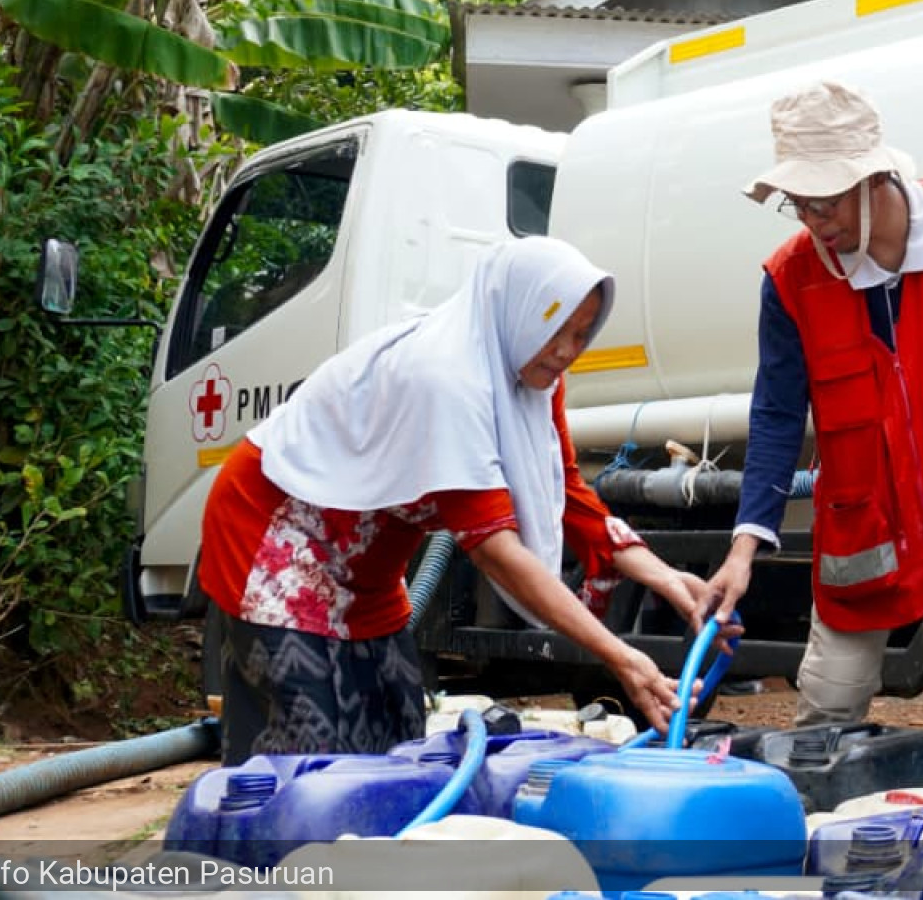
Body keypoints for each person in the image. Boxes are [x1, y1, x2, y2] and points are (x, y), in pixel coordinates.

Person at [199, 236, 709, 764]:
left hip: (366, 559)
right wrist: (620, 657)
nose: (566, 351)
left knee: (393, 730)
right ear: (519, 312)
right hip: (278, 531)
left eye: (582, 334)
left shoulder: (531, 379)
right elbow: (493, 547)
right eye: (556, 330)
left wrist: (666, 578)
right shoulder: (447, 378)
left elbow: (568, 495)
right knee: (308, 745)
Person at [703, 81, 923, 769]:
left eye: (826, 202)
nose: (814, 221)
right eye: (801, 204)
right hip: (865, 534)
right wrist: (744, 545)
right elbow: (775, 415)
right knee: (825, 713)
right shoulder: (791, 278)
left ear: (876, 177)